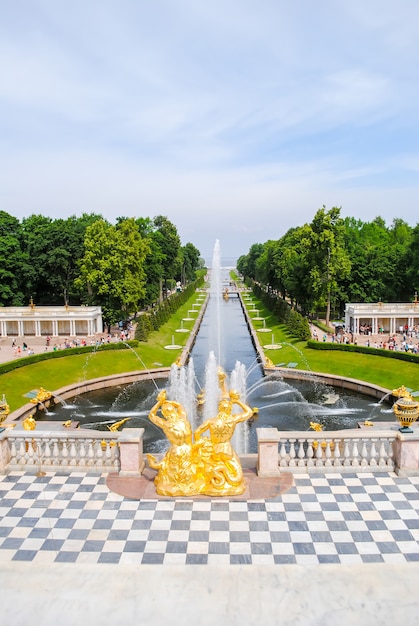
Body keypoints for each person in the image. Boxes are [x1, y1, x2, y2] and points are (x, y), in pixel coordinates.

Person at [194, 386, 254, 496]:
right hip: (226, 449)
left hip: (214, 450)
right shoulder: (232, 419)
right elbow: (249, 412)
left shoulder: (211, 421)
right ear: (229, 410)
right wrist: (237, 402)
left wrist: (202, 443)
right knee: (236, 473)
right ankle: (221, 478)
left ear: (219, 409)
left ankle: (217, 478)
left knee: (212, 464)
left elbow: (197, 432)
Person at [147, 389, 203, 496]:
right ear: (164, 414)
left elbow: (152, 415)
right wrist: (162, 402)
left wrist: (163, 402)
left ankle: (183, 484)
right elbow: (152, 415)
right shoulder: (174, 421)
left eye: (170, 410)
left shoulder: (175, 420)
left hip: (187, 450)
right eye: (167, 411)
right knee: (179, 474)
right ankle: (179, 484)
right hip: (180, 451)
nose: (170, 412)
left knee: (186, 474)